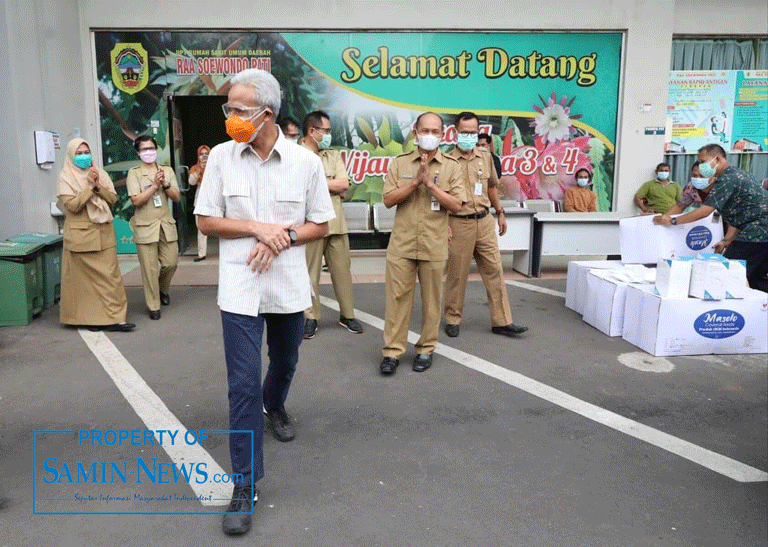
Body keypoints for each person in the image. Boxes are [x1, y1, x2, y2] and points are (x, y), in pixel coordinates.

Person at [194, 68, 334, 536]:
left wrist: (283, 236)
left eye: (237, 110)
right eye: (228, 108)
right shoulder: (220, 160)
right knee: (241, 386)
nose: (229, 117)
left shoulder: (305, 163)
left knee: (285, 360)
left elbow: (320, 224)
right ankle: (244, 485)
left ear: (266, 115)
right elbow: (207, 220)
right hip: (238, 287)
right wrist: (258, 228)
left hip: (288, 285)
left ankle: (277, 404)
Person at [380, 112, 466, 376]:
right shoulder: (400, 163)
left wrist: (430, 185)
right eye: (425, 130)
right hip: (402, 244)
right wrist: (416, 181)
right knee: (397, 300)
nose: (430, 136)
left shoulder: (452, 166)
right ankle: (392, 352)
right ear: (415, 132)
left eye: (435, 131)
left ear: (443, 134)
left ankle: (425, 349)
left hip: (434, 243)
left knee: (431, 302)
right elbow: (388, 199)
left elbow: (457, 204)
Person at [443, 111, 528, 339]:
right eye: (464, 132)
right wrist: (443, 223)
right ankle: (452, 318)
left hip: (484, 221)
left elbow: (491, 187)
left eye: (473, 132)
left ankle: (502, 321)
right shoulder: (446, 161)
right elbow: (439, 196)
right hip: (459, 223)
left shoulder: (485, 156)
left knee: (495, 271)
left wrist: (500, 213)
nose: (468, 136)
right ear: (455, 133)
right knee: (457, 275)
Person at [653, 144, 768, 292]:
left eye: (703, 162)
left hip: (757, 231)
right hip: (758, 229)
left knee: (726, 272)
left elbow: (705, 211)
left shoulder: (727, 179)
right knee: (758, 279)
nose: (701, 167)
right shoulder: (737, 174)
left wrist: (672, 221)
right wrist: (727, 240)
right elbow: (742, 212)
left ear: (718, 159)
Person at [57, 138, 135, 332]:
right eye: (79, 153)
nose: (84, 156)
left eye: (86, 152)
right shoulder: (65, 177)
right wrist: (89, 187)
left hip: (104, 232)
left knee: (111, 278)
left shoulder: (99, 173)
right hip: (80, 235)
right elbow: (73, 206)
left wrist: (97, 185)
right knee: (82, 283)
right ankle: (87, 319)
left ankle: (117, 319)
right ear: (70, 156)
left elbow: (113, 198)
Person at [300, 110, 363, 339]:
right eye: (325, 131)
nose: (329, 135)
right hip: (309, 224)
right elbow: (300, 186)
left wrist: (319, 183)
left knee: (342, 271)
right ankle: (311, 317)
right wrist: (331, 184)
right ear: (312, 131)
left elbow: (344, 184)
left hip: (335, 223)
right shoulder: (297, 155)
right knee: (309, 273)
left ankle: (347, 314)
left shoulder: (333, 155)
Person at [126, 136, 180, 320]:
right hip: (145, 227)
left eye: (151, 148)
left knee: (171, 262)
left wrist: (164, 184)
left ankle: (162, 289)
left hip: (165, 225)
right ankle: (154, 306)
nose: (149, 152)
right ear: (138, 153)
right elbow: (137, 200)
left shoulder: (167, 170)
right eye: (144, 149)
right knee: (149, 269)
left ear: (156, 150)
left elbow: (176, 197)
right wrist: (154, 186)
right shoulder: (134, 173)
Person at [188, 144, 210, 262]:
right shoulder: (195, 168)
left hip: (214, 200)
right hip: (200, 200)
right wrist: (199, 170)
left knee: (223, 225)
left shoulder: (215, 166)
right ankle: (202, 254)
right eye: (201, 154)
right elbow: (191, 182)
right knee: (200, 227)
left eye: (206, 154)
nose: (204, 156)